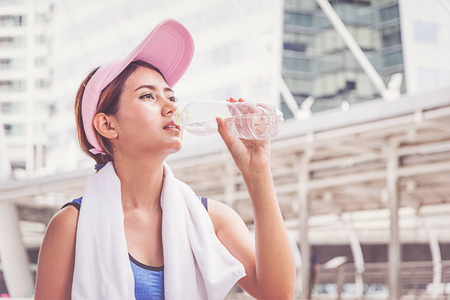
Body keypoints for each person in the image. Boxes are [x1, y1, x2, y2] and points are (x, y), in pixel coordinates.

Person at [34, 19, 295, 300]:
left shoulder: (211, 219)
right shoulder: (70, 226)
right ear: (107, 126)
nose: (171, 106)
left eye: (171, 96)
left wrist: (257, 172)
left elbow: (277, 294)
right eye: (148, 96)